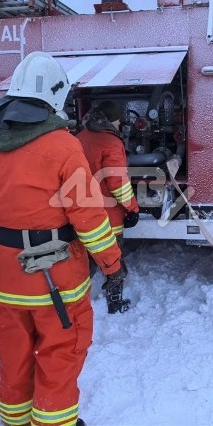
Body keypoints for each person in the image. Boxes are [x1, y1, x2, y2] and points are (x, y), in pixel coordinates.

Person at [0, 52, 123, 426]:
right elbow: (90, 220)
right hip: (55, 279)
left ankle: (14, 420)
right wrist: (112, 265)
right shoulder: (63, 146)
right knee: (60, 353)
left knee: (13, 354)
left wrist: (1, 252)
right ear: (56, 95)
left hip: (1, 279)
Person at [76, 101, 140, 313]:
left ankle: (75, 301)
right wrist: (132, 209)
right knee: (112, 258)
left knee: (84, 262)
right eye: (119, 120)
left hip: (80, 213)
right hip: (107, 215)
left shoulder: (79, 138)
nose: (120, 123)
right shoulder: (111, 142)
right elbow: (117, 182)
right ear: (111, 119)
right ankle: (115, 300)